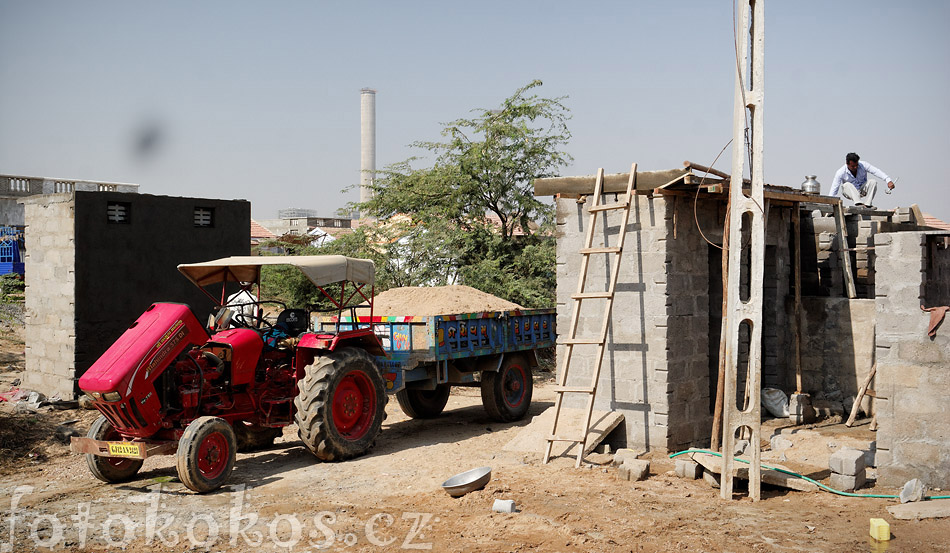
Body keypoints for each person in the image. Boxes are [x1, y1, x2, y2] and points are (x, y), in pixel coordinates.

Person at [829, 152, 895, 207]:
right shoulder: (840, 172)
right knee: (846, 185)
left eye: (856, 165)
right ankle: (859, 204)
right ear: (847, 164)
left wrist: (888, 180)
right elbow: (834, 188)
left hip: (862, 190)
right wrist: (830, 203)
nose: (855, 167)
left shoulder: (863, 165)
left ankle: (868, 205)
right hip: (850, 192)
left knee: (873, 182)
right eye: (853, 166)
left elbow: (876, 171)